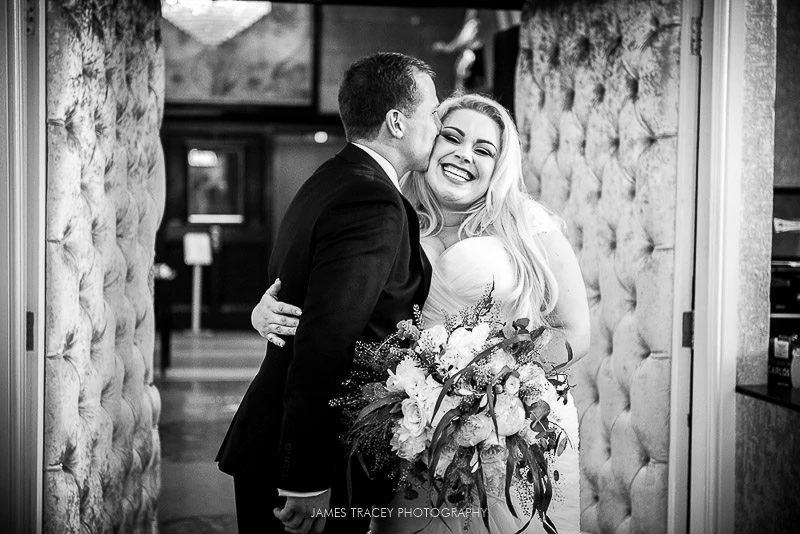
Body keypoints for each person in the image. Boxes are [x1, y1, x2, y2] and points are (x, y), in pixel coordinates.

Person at [253, 94, 590, 533]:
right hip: (411, 427)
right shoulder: (388, 214)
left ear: (499, 165)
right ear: (429, 140)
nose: (463, 155)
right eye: (452, 136)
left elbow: (576, 332)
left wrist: (501, 384)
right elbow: (336, 310)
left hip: (509, 430)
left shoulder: (529, 227)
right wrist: (265, 310)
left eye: (484, 150)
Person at [216, 52, 440, 534]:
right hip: (309, 455)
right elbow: (326, 341)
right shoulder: (372, 199)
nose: (438, 127)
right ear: (397, 121)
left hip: (289, 437)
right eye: (435, 113)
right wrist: (305, 477)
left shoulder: (332, 177)